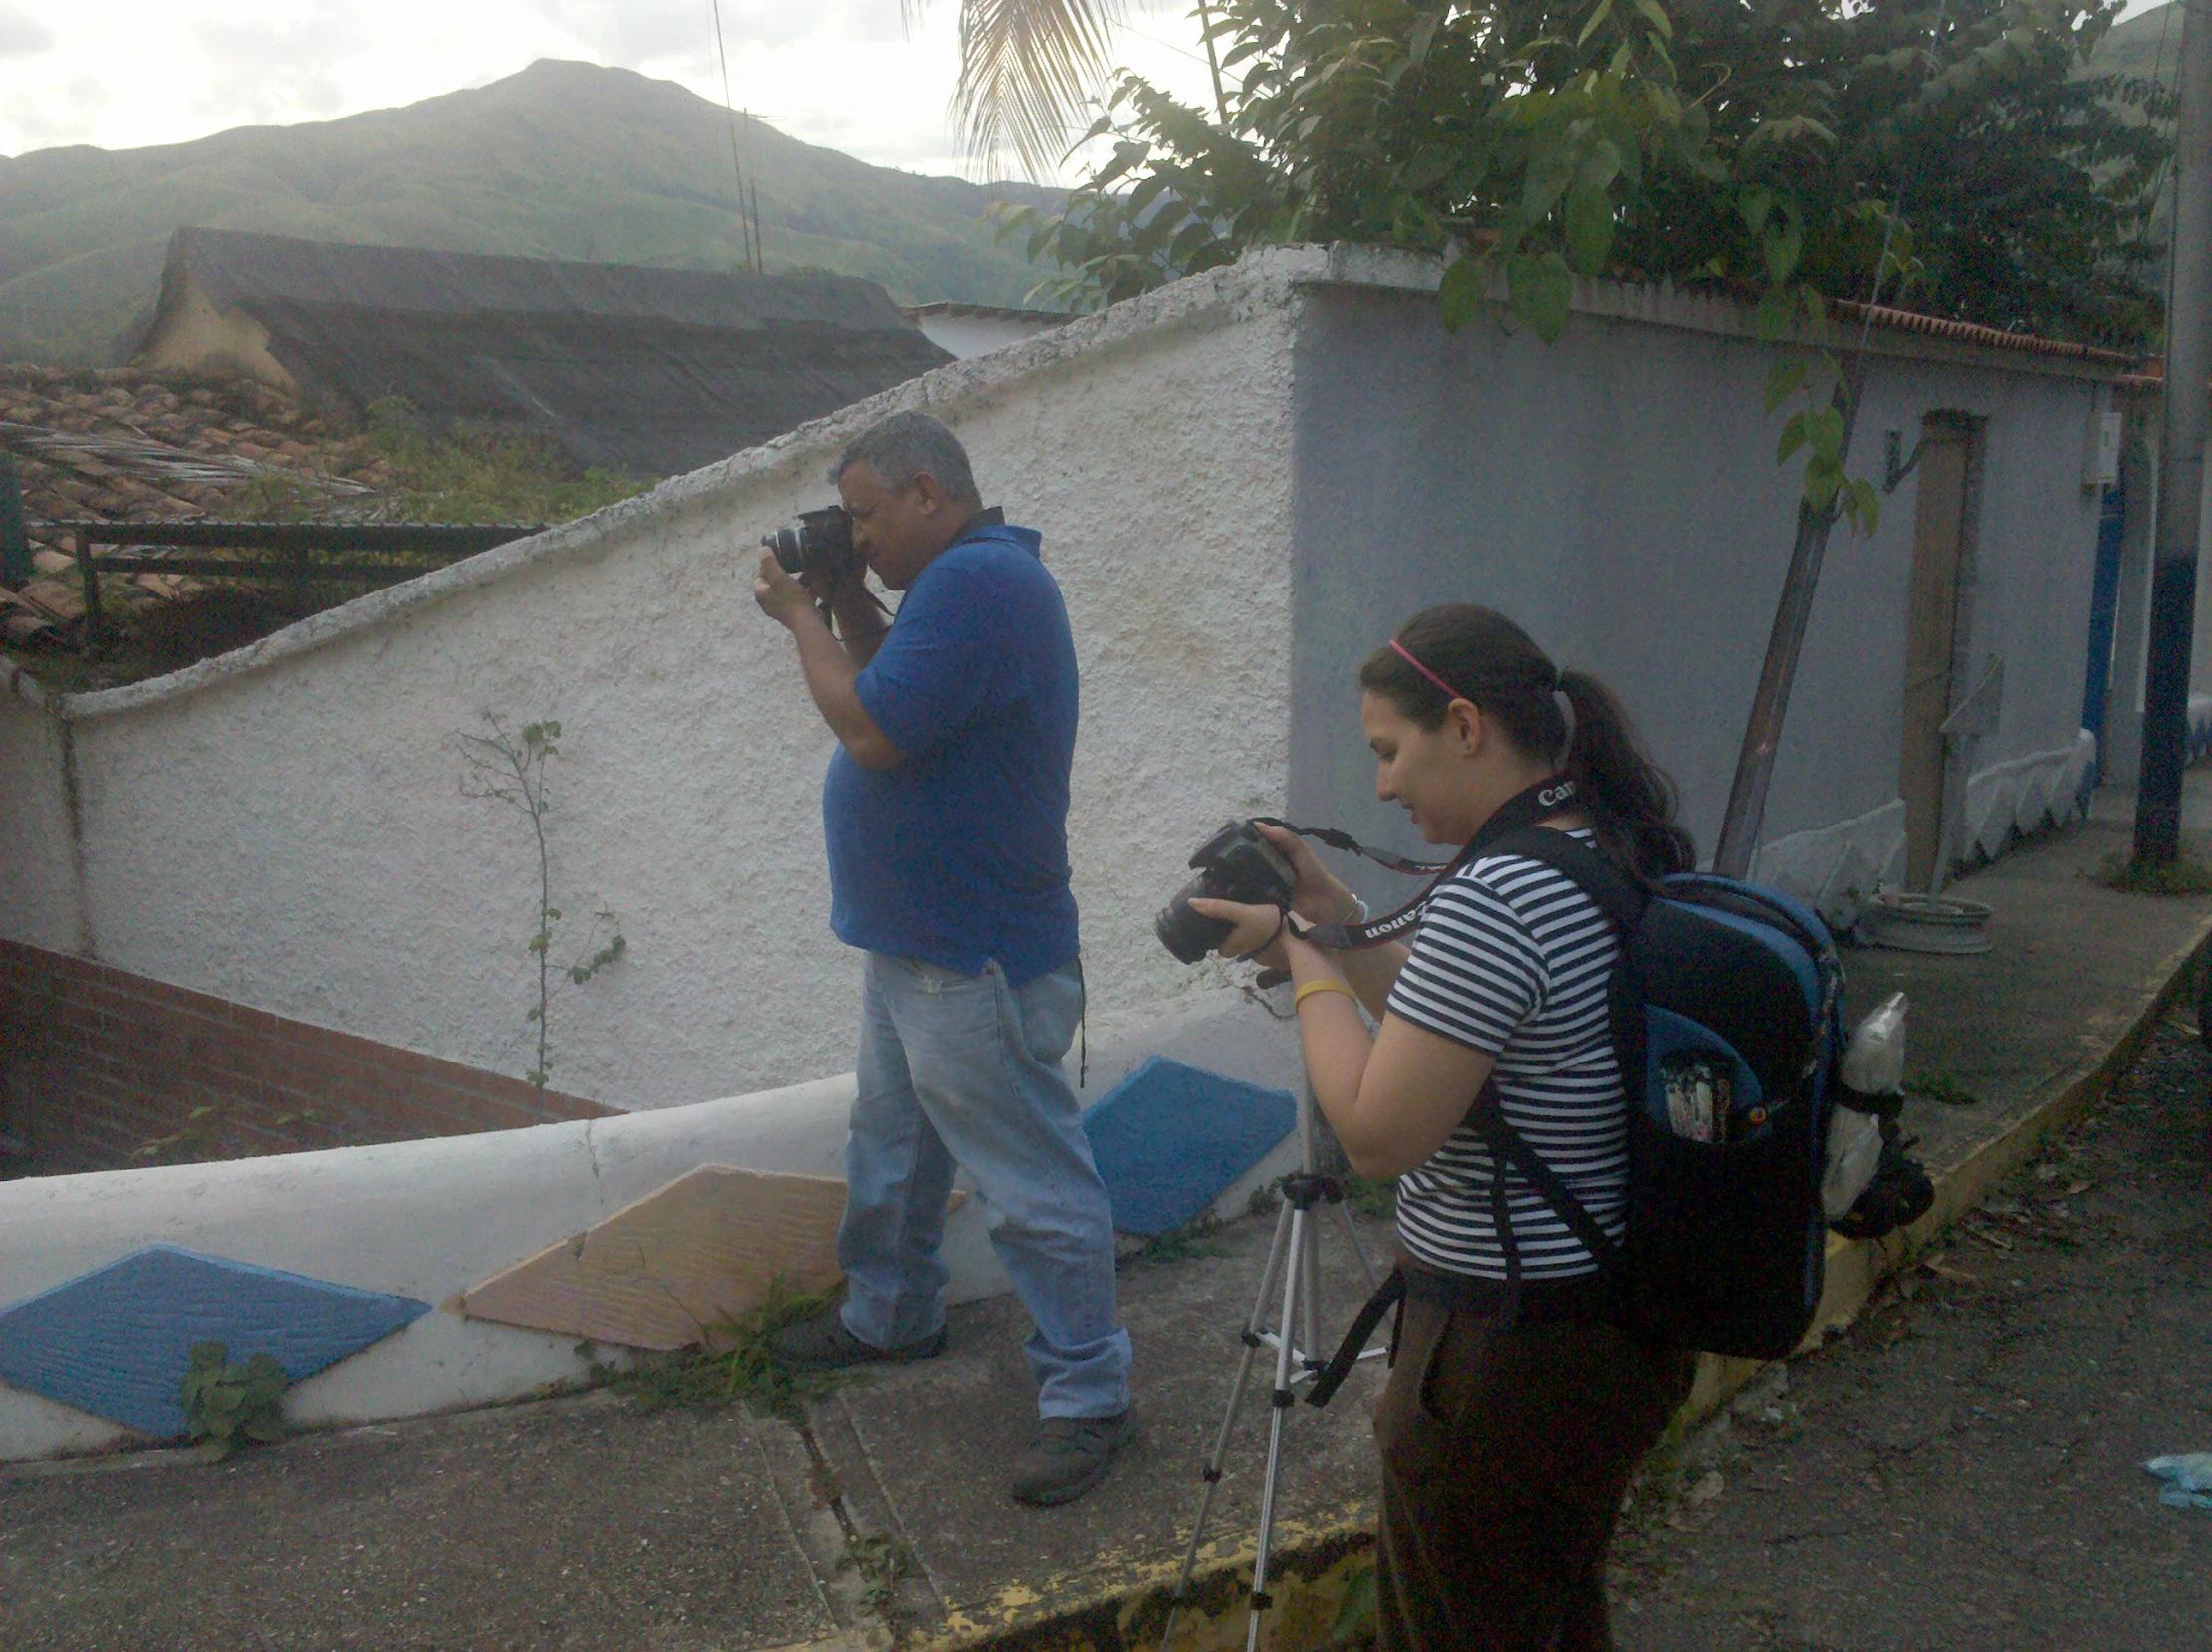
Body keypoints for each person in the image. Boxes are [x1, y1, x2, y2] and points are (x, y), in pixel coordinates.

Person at [1193, 604, 1699, 1651]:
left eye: (1388, 750)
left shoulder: (1496, 894)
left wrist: (1304, 964)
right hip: (1608, 1331)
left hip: (1507, 1355)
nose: (1380, 784)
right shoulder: (1591, 846)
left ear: (1463, 725)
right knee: (1544, 1616)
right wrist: (1331, 909)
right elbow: (1460, 1029)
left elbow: (1378, 1134)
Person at [751, 408, 1135, 1507]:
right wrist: (845, 604)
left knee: (1028, 1181)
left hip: (973, 955)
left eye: (867, 516)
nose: (856, 535)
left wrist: (795, 620)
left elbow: (869, 730)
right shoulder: (960, 586)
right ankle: (889, 1317)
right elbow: (898, 694)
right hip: (913, 944)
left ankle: (1089, 1396)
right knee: (893, 1145)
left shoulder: (980, 584)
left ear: (932, 492)